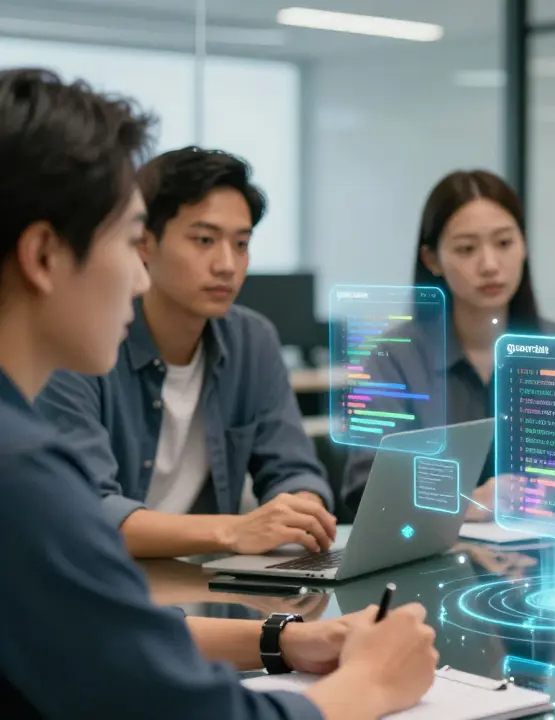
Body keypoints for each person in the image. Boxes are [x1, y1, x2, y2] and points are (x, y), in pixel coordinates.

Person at [0, 67, 439, 719]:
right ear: (43, 256)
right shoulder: (23, 473)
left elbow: (112, 640)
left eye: (240, 243)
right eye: (128, 241)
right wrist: (368, 686)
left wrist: (286, 640)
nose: (136, 275)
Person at [35, 146, 337, 559]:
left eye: (242, 243)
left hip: (205, 584)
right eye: (204, 240)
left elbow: (293, 468)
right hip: (103, 580)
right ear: (145, 243)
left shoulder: (252, 340)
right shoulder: (85, 341)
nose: (227, 265)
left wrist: (302, 508)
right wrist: (235, 531)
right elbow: (85, 510)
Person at [341, 169, 555, 519]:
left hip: (549, 557)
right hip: (434, 559)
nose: (490, 265)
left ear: (524, 246)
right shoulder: (393, 357)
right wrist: (467, 502)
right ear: (432, 260)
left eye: (505, 243)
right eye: (466, 249)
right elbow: (366, 488)